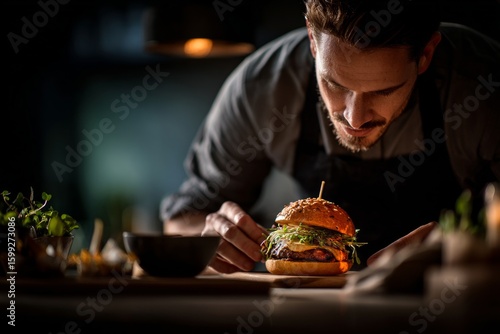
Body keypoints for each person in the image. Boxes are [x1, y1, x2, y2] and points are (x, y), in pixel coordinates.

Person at [161, 0, 500, 273]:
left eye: (384, 91)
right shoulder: (263, 87)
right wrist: (207, 235)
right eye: (335, 85)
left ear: (425, 55)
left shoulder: (483, 85)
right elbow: (179, 221)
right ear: (312, 39)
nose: (354, 117)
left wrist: (469, 240)